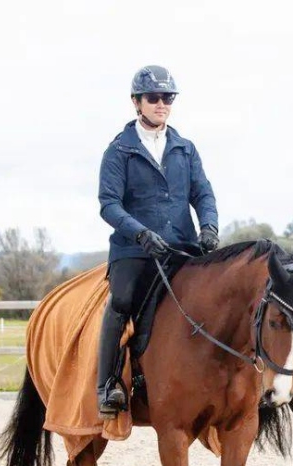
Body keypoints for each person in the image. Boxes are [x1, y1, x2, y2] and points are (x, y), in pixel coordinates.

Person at [96, 65, 220, 418]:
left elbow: (204, 194)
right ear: (137, 103)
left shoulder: (185, 148)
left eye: (168, 98)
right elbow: (109, 204)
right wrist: (140, 233)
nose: (161, 104)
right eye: (154, 98)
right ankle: (107, 385)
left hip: (181, 247)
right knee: (121, 302)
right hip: (134, 250)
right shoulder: (119, 150)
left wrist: (209, 227)